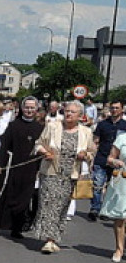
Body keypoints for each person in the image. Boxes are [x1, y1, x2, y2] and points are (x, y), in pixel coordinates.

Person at [33, 101, 95, 254]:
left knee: (62, 206)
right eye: (67, 111)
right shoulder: (53, 127)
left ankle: (55, 236)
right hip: (51, 171)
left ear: (80, 115)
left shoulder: (86, 132)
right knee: (48, 203)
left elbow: (92, 152)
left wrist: (85, 155)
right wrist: (44, 152)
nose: (69, 114)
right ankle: (49, 240)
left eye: (73, 112)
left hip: (71, 174)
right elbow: (38, 144)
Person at [0, 97, 44, 239]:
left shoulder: (41, 128)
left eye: (32, 108)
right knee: (10, 195)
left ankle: (18, 227)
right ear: (21, 109)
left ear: (36, 109)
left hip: (31, 168)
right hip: (13, 165)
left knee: (25, 198)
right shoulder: (13, 125)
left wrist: (41, 168)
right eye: (27, 107)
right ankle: (2, 223)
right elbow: (4, 145)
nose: (29, 110)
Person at [88, 100, 126, 220]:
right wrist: (92, 158)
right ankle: (95, 208)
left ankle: (106, 209)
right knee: (97, 185)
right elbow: (95, 141)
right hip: (102, 157)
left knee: (112, 186)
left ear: (122, 110)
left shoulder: (124, 125)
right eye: (112, 108)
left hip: (117, 161)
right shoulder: (103, 124)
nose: (114, 110)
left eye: (116, 108)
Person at [99, 132, 126, 261]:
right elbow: (110, 159)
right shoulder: (122, 138)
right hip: (123, 182)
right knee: (120, 217)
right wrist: (116, 161)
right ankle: (119, 249)